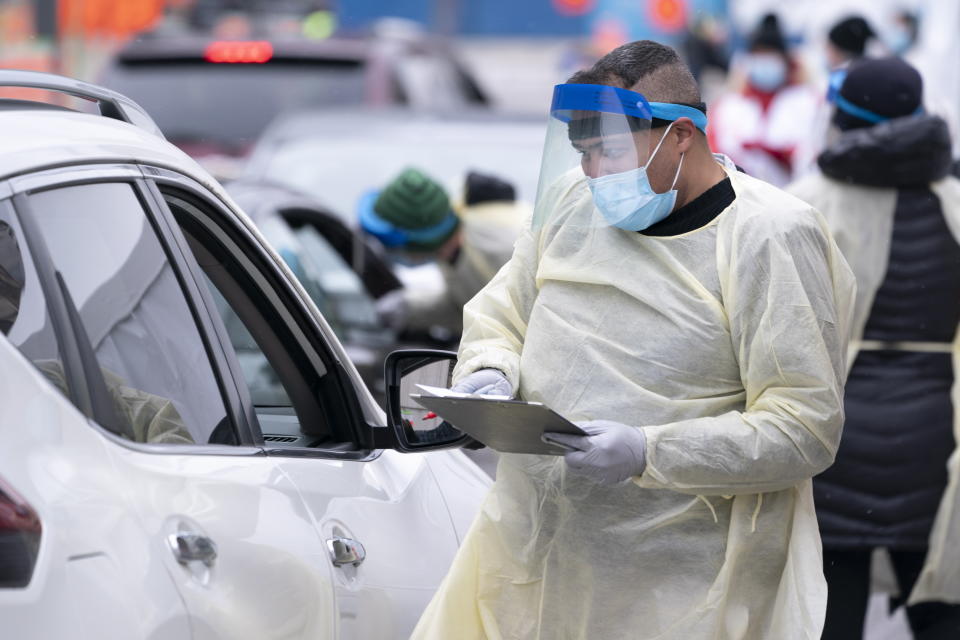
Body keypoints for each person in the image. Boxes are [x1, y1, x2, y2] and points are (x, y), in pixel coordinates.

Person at [410, 40, 855, 639]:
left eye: (612, 151)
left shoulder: (768, 235)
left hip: (682, 583)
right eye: (585, 152)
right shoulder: (572, 200)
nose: (595, 173)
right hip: (538, 551)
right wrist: (489, 372)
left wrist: (650, 451)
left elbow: (803, 425)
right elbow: (503, 313)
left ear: (680, 135)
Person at [787, 56, 960, 640]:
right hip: (940, 432)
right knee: (939, 598)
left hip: (836, 432)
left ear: (841, 117)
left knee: (832, 612)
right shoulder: (955, 203)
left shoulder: (805, 203)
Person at [360, 167, 526, 336]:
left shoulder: (499, 249)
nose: (390, 253)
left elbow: (514, 322)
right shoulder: (453, 250)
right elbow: (470, 307)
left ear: (417, 242)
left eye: (390, 246)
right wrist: (410, 307)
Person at [709, 13, 820, 186]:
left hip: (796, 194)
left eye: (770, 54)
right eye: (758, 55)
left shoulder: (808, 101)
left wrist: (783, 156)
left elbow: (814, 152)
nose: (764, 61)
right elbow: (715, 153)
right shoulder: (729, 105)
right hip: (742, 195)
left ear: (784, 60)